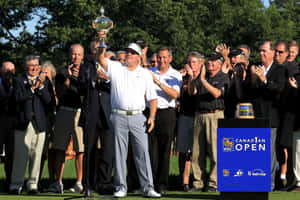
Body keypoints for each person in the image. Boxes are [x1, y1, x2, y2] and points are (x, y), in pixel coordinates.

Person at [97, 31, 161, 198]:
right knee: (119, 153)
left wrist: (152, 117)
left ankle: (148, 187)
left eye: (132, 53)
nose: (128, 55)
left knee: (142, 153)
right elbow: (101, 59)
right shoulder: (117, 67)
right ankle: (120, 187)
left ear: (139, 57)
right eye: (127, 52)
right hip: (118, 116)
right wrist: (101, 39)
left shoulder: (145, 74)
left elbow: (153, 99)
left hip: (138, 117)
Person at [9, 55, 52, 194]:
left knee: (37, 155)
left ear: (39, 67)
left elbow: (49, 102)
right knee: (21, 156)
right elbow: (17, 98)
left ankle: (33, 185)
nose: (33, 68)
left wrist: (40, 87)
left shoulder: (45, 82)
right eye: (30, 65)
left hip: (40, 123)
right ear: (25, 67)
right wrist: (33, 88)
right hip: (23, 122)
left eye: (36, 65)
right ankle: (16, 185)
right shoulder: (18, 81)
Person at [188, 51, 230, 192]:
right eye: (209, 61)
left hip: (215, 115)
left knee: (215, 151)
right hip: (200, 115)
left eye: (213, 61)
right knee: (197, 152)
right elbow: (191, 92)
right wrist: (193, 78)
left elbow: (217, 93)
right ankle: (198, 182)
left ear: (219, 63)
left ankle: (213, 183)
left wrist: (204, 80)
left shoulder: (223, 77)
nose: (210, 63)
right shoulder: (201, 77)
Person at [246, 41, 286, 190]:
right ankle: (255, 180)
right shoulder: (255, 68)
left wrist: (264, 80)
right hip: (255, 116)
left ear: (272, 52)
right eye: (260, 51)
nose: (261, 54)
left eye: (264, 51)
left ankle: (268, 184)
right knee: (256, 151)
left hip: (271, 117)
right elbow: (249, 92)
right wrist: (254, 80)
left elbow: (278, 90)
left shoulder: (279, 70)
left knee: (268, 153)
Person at [78, 39, 114, 195]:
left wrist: (106, 79)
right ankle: (88, 185)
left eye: (102, 49)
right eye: (97, 49)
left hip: (108, 115)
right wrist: (93, 80)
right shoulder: (85, 67)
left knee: (108, 152)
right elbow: (80, 87)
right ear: (92, 51)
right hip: (91, 114)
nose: (100, 52)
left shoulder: (112, 67)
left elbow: (117, 87)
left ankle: (104, 183)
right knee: (90, 151)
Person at [148, 46, 182, 194]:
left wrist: (158, 83)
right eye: (159, 57)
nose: (161, 60)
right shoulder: (150, 72)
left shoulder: (175, 74)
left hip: (167, 114)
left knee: (164, 150)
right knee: (151, 150)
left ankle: (162, 184)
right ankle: (150, 183)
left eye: (164, 57)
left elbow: (175, 94)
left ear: (170, 58)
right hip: (151, 112)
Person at [51, 44, 85, 193]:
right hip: (64, 111)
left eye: (78, 54)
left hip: (80, 112)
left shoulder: (86, 71)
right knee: (60, 148)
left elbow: (87, 92)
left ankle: (79, 182)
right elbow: (59, 93)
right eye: (73, 54)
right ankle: (58, 182)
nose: (75, 57)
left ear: (82, 56)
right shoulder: (61, 72)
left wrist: (78, 78)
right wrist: (68, 79)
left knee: (80, 149)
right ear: (69, 55)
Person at [178, 51, 205, 192]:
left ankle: (198, 180)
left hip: (198, 116)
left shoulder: (204, 77)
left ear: (201, 63)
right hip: (185, 115)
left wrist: (190, 77)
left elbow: (192, 92)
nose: (190, 65)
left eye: (193, 62)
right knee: (184, 151)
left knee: (196, 152)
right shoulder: (182, 77)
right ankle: (183, 182)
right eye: (189, 62)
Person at [38, 61, 57, 190]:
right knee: (41, 154)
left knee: (52, 153)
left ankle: (52, 181)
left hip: (54, 121)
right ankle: (36, 181)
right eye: (42, 72)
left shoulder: (55, 87)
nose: (44, 75)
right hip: (42, 121)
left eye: (47, 73)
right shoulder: (39, 86)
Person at [0, 61, 16, 192]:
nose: (9, 73)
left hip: (12, 123)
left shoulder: (17, 84)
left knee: (11, 155)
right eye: (6, 70)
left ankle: (9, 181)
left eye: (12, 70)